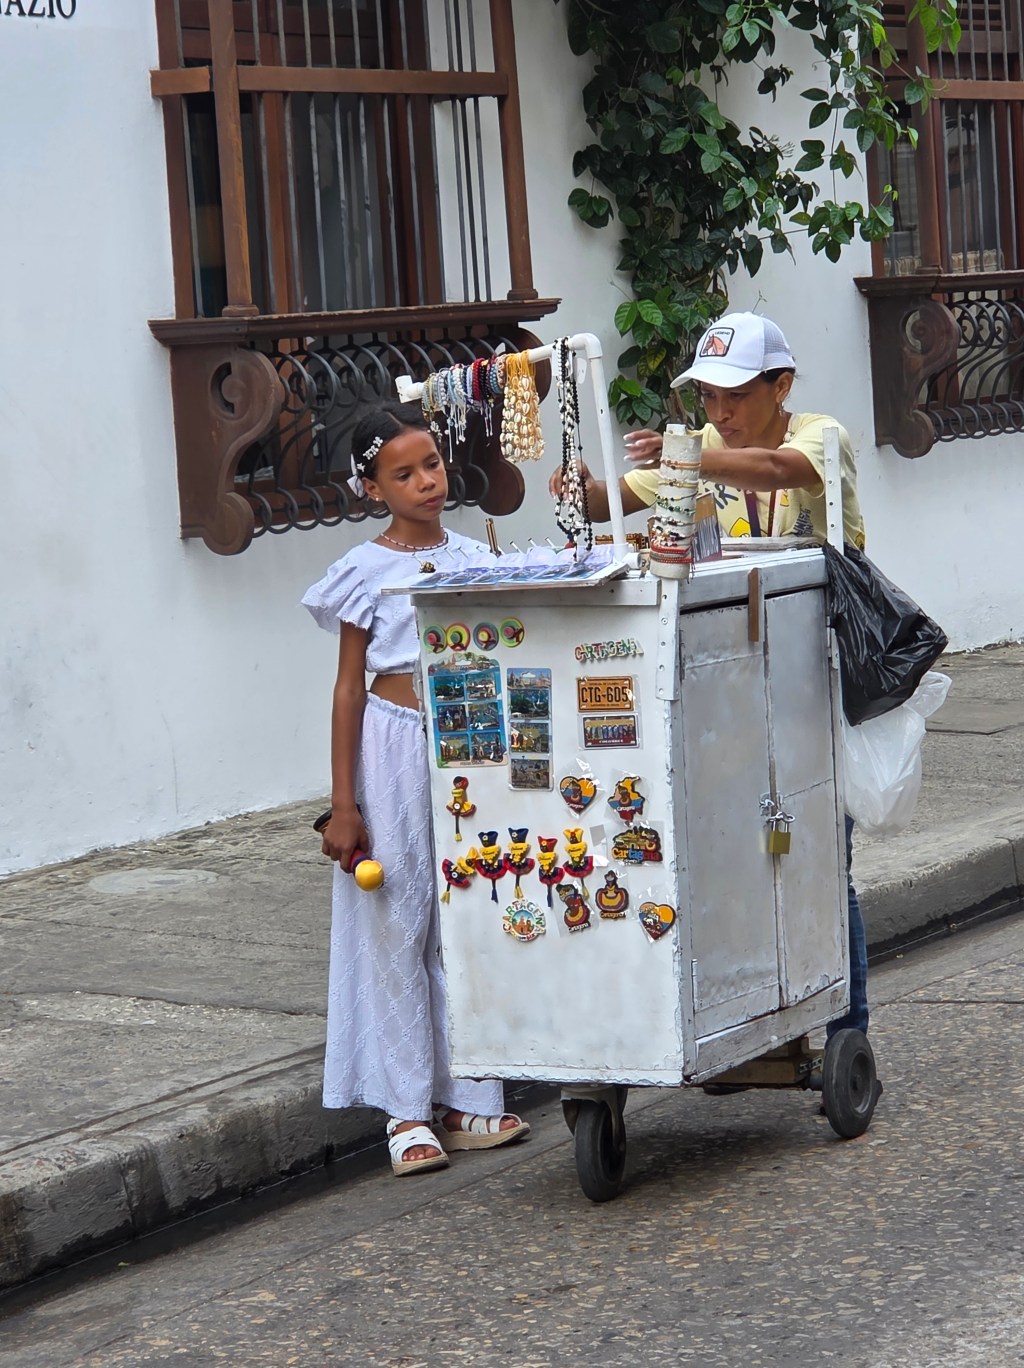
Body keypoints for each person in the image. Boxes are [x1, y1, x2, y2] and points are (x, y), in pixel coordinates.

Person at [550, 311, 869, 1041]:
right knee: (737, 850)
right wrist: (573, 477)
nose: (719, 413)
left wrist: (682, 454)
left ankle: (847, 1025)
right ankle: (759, 1009)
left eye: (735, 396)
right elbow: (598, 502)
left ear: (781, 386)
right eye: (708, 398)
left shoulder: (820, 433)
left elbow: (776, 469)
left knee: (821, 855)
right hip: (725, 689)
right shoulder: (694, 451)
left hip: (817, 678)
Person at [302, 401, 529, 1177]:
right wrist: (344, 802)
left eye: (431, 463)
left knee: (470, 912)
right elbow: (344, 691)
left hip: (472, 747)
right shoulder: (364, 573)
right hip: (393, 747)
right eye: (403, 473)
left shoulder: (475, 556)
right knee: (397, 919)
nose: (426, 481)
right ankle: (406, 1110)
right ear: (371, 488)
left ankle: (471, 1097)